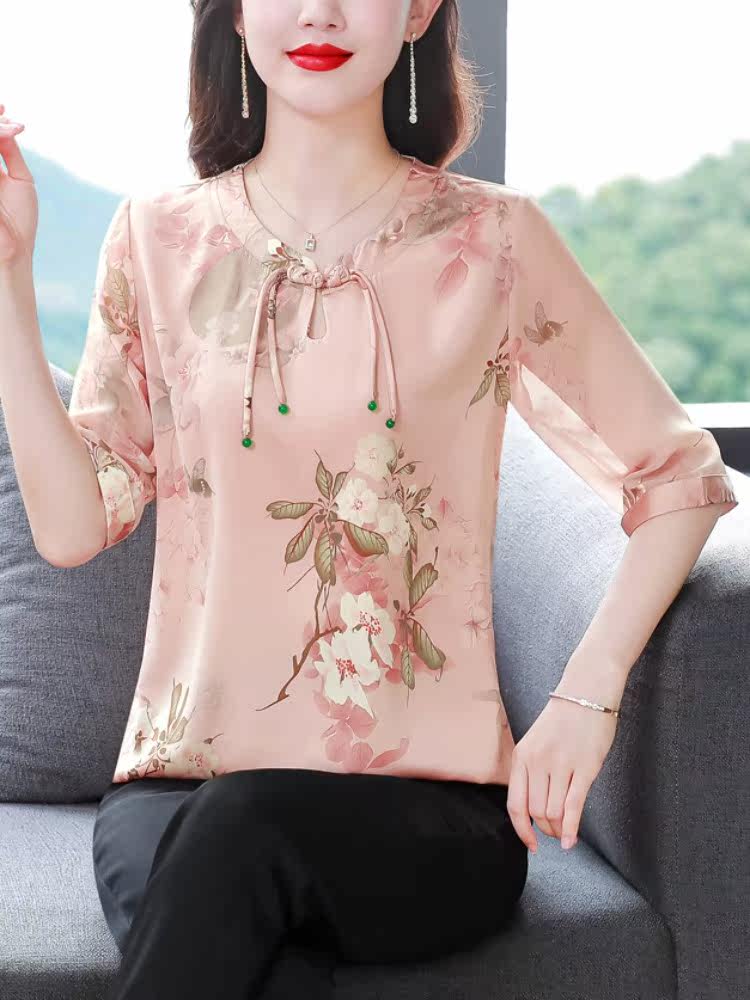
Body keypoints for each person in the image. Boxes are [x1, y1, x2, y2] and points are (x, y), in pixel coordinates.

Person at [0, 1, 739, 997]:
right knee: (245, 908)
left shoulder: (494, 240)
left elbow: (680, 475)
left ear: (420, 8)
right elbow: (72, 526)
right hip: (179, 786)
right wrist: (6, 275)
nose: (320, 10)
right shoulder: (155, 238)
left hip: (431, 808)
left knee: (240, 845)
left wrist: (585, 697)